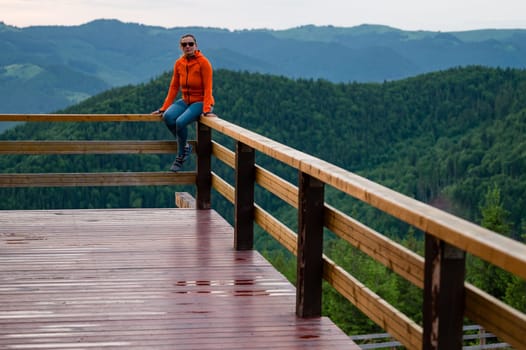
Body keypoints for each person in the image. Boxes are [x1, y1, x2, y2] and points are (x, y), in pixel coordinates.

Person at [152, 33, 215, 172]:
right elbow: (174, 87)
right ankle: (185, 146)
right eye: (184, 44)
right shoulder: (179, 63)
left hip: (200, 101)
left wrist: (206, 109)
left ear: (196, 46)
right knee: (168, 117)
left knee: (180, 122)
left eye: (190, 44)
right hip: (185, 100)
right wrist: (164, 108)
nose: (188, 46)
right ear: (180, 47)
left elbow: (208, 87)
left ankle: (180, 156)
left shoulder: (203, 63)